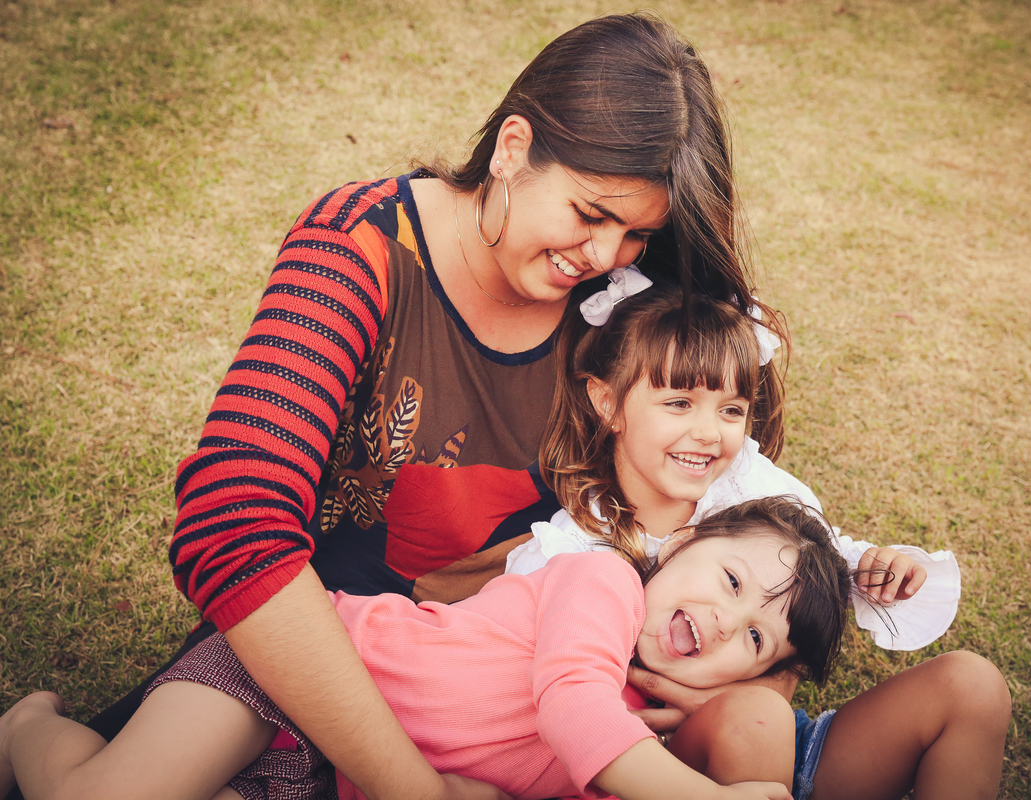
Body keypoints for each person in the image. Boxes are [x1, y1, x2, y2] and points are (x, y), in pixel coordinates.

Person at [23, 14, 773, 800]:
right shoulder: (359, 249)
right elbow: (235, 521)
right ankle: (30, 729)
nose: (603, 256)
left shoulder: (626, 307)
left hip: (496, 705)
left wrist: (752, 674)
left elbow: (736, 510)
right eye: (589, 214)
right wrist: (415, 789)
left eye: (636, 234)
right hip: (310, 654)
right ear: (513, 148)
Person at [502, 279, 1011, 800]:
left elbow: (817, 559)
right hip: (660, 769)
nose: (709, 432)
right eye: (679, 402)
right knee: (757, 716)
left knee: (972, 685)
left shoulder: (746, 484)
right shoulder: (572, 550)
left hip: (783, 748)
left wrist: (870, 569)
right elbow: (549, 701)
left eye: (731, 409)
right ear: (607, 402)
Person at [0, 498, 852, 800]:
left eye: (753, 638)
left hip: (336, 780)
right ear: (684, 543)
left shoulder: (636, 744)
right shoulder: (604, 584)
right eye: (730, 581)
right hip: (298, 676)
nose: (722, 620)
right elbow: (572, 704)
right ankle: (29, 727)